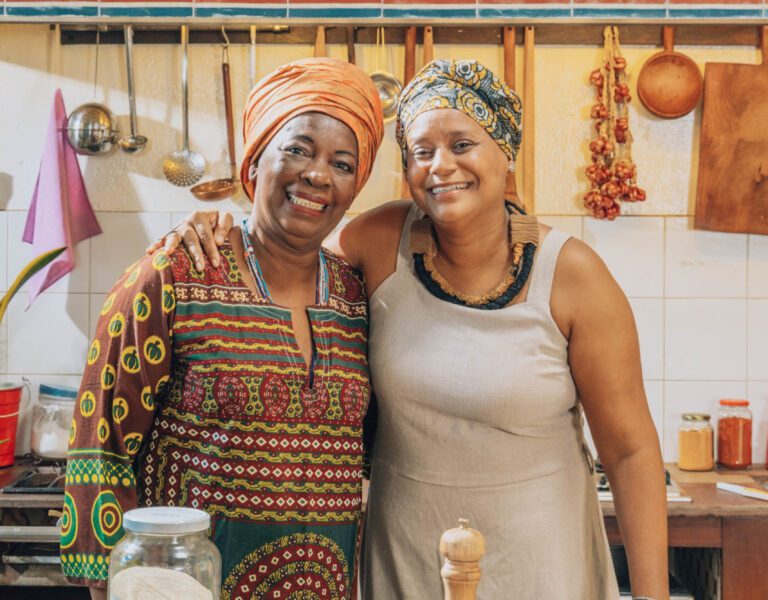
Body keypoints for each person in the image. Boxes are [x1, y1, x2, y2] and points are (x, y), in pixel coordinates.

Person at [159, 60, 669, 599]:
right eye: (421, 152)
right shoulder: (380, 242)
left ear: (506, 155)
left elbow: (631, 453)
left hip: (541, 563)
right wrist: (222, 227)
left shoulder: (572, 276)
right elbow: (285, 250)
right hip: (405, 562)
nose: (441, 166)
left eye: (462, 145)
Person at [61, 57, 384, 600]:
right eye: (298, 149)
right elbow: (102, 451)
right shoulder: (170, 277)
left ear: (355, 187)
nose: (318, 174)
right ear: (255, 162)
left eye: (343, 163)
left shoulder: (357, 298)